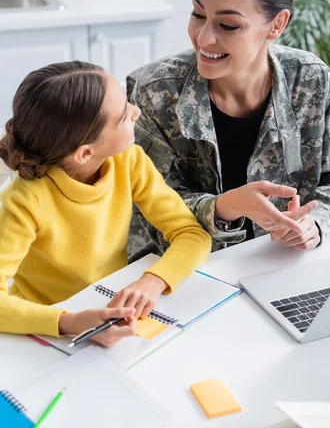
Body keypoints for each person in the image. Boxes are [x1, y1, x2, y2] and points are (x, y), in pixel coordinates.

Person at [126, 0, 330, 260]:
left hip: (282, 266)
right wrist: (223, 208)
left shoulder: (310, 79)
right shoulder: (154, 91)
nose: (203, 37)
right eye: (198, 14)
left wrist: (317, 221)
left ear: (276, 25)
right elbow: (140, 212)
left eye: (228, 25)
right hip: (183, 277)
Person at [0, 61, 211, 346]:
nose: (136, 111)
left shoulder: (129, 161)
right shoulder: (22, 202)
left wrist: (152, 282)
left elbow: (191, 233)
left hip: (111, 305)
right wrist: (71, 322)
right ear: (85, 154)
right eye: (124, 115)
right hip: (42, 328)